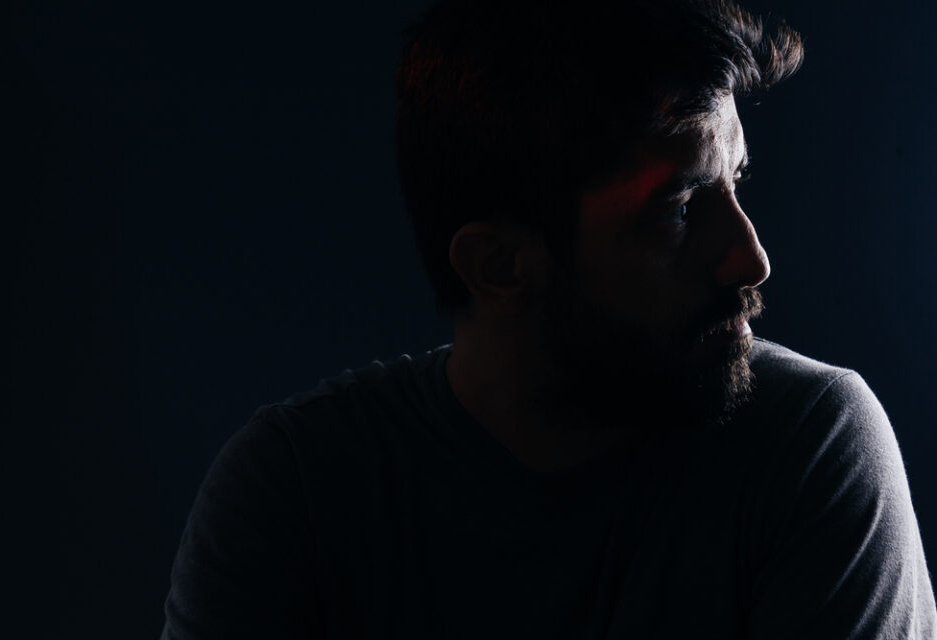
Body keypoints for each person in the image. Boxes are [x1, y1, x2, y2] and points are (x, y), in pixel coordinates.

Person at [160, 0, 937, 637]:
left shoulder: (810, 446)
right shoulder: (295, 495)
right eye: (678, 209)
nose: (750, 259)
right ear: (499, 265)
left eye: (736, 182)